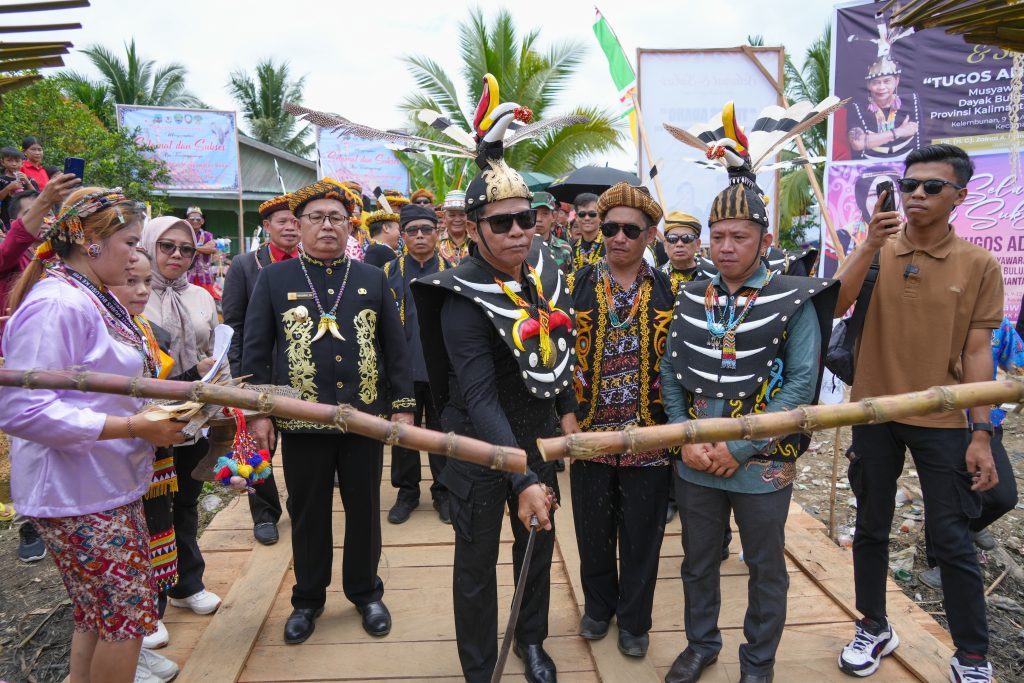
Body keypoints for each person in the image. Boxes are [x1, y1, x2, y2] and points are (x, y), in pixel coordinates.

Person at [412, 98, 576, 683]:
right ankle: (479, 665)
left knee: (536, 551)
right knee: (476, 561)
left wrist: (568, 414)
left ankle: (532, 640)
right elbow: (478, 396)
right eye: (500, 223)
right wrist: (522, 476)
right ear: (474, 227)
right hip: (480, 444)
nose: (516, 232)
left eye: (524, 219)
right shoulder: (459, 295)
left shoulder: (546, 275)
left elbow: (557, 354)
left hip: (534, 434)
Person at [660, 160, 837, 683]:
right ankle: (701, 644)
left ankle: (758, 662)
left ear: (765, 239)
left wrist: (737, 449)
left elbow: (800, 388)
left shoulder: (794, 299)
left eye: (740, 236)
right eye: (718, 236)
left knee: (764, 568)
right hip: (693, 460)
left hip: (762, 463)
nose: (726, 247)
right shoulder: (693, 294)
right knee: (697, 562)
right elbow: (671, 369)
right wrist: (681, 434)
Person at [0, 187, 186, 683]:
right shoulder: (58, 304)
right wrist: (131, 425)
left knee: (98, 615)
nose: (137, 254)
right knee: (125, 622)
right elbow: (23, 408)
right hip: (75, 491)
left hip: (101, 482)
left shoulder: (92, 296)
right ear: (89, 241)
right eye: (130, 242)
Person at [835, 145, 1003, 683]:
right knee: (872, 526)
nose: (917, 196)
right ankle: (874, 625)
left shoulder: (978, 264)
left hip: (943, 415)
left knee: (951, 535)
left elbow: (979, 353)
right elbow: (835, 305)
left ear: (960, 196)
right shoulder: (878, 249)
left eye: (932, 187)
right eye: (909, 185)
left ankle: (972, 654)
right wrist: (869, 243)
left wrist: (981, 432)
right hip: (875, 410)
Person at [241, 178, 415, 645]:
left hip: (364, 418)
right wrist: (258, 412)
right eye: (316, 218)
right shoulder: (274, 280)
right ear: (297, 225)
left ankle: (366, 592)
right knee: (308, 512)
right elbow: (255, 350)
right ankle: (308, 599)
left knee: (364, 510)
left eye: (336, 218)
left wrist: (402, 409)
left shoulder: (371, 278)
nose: (326, 227)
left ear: (349, 226)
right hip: (301, 422)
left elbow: (395, 349)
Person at [565, 182, 674, 658]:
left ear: (650, 235)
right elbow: (556, 354)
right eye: (610, 228)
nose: (618, 238)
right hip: (590, 430)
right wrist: (566, 413)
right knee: (591, 528)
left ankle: (634, 620)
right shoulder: (577, 284)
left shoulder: (671, 290)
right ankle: (597, 608)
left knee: (642, 534)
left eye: (631, 230)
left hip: (649, 434)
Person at [108, 250, 211, 681]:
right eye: (131, 282)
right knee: (122, 556)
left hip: (152, 447)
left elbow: (159, 381)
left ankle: (137, 637)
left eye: (145, 283)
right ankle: (125, 646)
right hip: (112, 453)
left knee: (160, 528)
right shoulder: (101, 324)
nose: (141, 291)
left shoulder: (141, 327)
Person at [142, 216, 223, 622]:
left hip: (195, 416)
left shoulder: (201, 296)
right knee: (153, 507)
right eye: (167, 246)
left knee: (187, 502)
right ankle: (150, 605)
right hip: (148, 419)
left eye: (186, 249)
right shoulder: (132, 292)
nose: (177, 255)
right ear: (148, 245)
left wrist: (214, 368)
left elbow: (213, 343)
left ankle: (186, 584)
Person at [918, 316, 1022, 590]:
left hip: (986, 424)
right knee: (947, 496)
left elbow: (1018, 362)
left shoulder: (1000, 326)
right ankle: (940, 562)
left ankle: (967, 530)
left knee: (1004, 496)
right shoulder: (934, 319)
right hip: (942, 423)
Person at [221, 194, 298, 545]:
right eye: (282, 221)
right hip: (257, 371)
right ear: (267, 227)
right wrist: (239, 378)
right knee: (259, 443)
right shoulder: (245, 265)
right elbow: (233, 324)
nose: (291, 227)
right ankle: (265, 513)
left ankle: (301, 504)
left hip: (300, 373)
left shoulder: (312, 264)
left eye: (296, 221)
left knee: (301, 445)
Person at [384, 203, 453, 525]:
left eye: (427, 230)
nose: (421, 236)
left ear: (437, 233)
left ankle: (444, 491)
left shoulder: (452, 270)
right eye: (413, 230)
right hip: (402, 369)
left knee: (442, 432)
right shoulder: (387, 273)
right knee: (403, 432)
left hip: (441, 369)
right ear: (403, 234)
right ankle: (407, 491)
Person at [660, 211, 707, 295]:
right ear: (665, 245)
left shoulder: (712, 274)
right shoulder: (654, 277)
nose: (679, 244)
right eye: (672, 238)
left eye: (687, 238)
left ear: (697, 244)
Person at [532, 191, 572, 273]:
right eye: (534, 213)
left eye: (545, 214)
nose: (539, 219)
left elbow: (570, 281)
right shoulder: (520, 247)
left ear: (554, 216)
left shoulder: (565, 249)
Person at [183, 206, 219, 298]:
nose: (195, 221)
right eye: (192, 219)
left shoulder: (207, 235)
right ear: (186, 221)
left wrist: (192, 249)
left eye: (198, 219)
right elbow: (183, 251)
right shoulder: (183, 235)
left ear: (202, 221)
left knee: (205, 301)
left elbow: (213, 249)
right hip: (186, 276)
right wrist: (203, 248)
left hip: (204, 277)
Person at [0, 146, 37, 226]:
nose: (14, 164)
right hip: (7, 219)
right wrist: (9, 187)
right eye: (9, 161)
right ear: (2, 162)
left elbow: (37, 197)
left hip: (28, 218)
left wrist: (27, 182)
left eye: (17, 161)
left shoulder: (29, 179)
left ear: (22, 162)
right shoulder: (1, 180)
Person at [570, 192, 604, 271]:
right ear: (576, 217)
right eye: (582, 214)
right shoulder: (570, 248)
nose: (587, 218)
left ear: (600, 216)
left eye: (592, 214)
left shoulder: (610, 245)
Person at [437, 190, 470, 265]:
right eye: (452, 215)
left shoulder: (477, 241)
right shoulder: (435, 242)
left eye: (462, 215)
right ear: (444, 217)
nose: (457, 219)